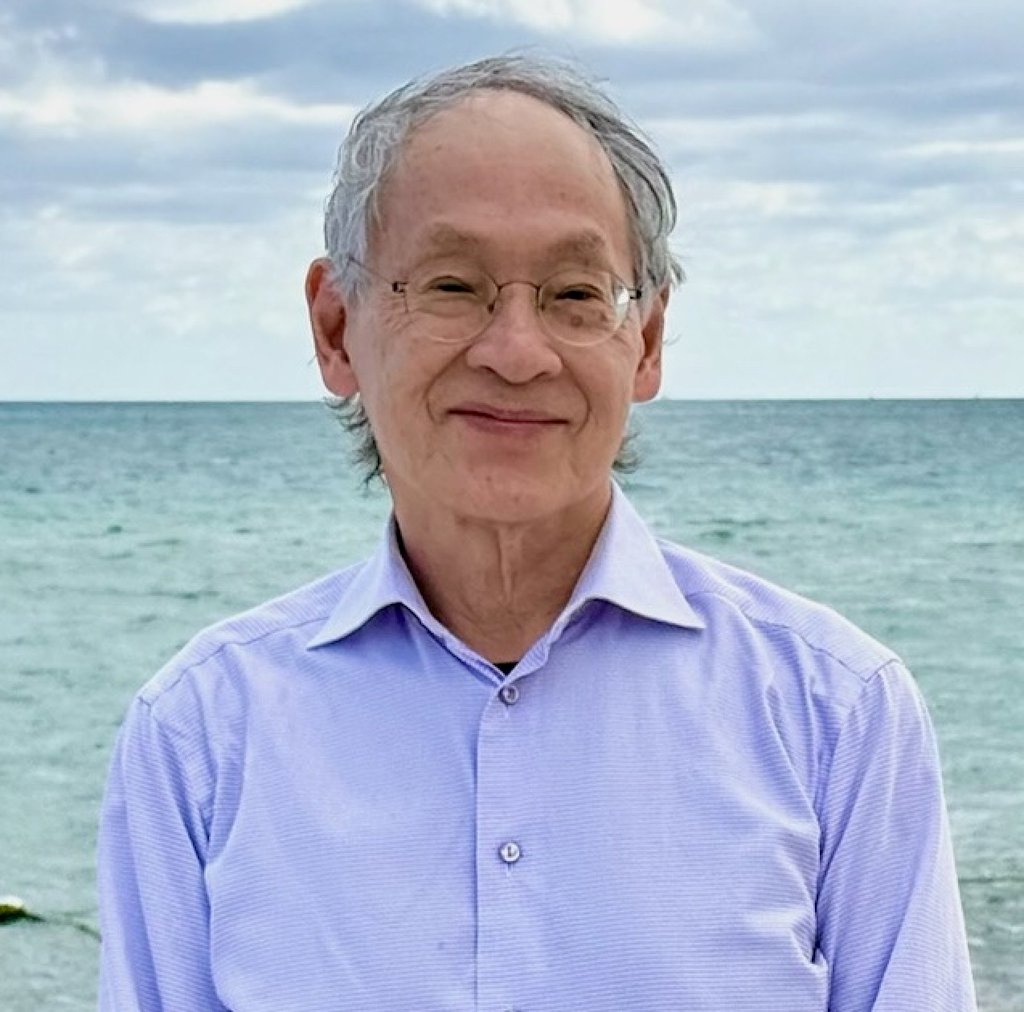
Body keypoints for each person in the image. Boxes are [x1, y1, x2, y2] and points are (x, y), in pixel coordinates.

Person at [97, 54, 977, 1011]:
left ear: (643, 342)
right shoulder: (201, 736)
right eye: (451, 285)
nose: (518, 354)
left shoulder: (836, 716)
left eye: (573, 294)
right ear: (335, 326)